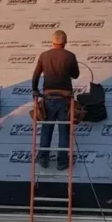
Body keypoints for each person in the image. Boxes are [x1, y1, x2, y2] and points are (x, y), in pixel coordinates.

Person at [31, 30, 80, 170]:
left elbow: (35, 76)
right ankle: (62, 162)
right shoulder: (70, 56)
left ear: (52, 42)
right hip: (65, 99)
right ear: (65, 42)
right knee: (64, 130)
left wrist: (35, 90)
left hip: (48, 99)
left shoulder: (44, 55)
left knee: (47, 129)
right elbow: (76, 75)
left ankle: (43, 160)